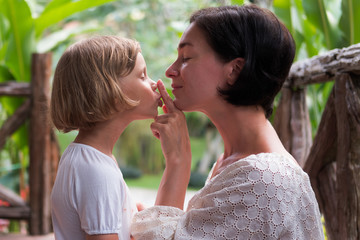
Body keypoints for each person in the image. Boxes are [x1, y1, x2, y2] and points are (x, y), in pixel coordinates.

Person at [131, 4, 324, 240]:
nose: (171, 71)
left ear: (234, 70)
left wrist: (178, 161)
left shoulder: (264, 179)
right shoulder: (231, 164)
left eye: (186, 57)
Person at [50, 35, 162, 240]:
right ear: (110, 90)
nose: (154, 84)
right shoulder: (96, 170)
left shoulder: (90, 158)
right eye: (143, 75)